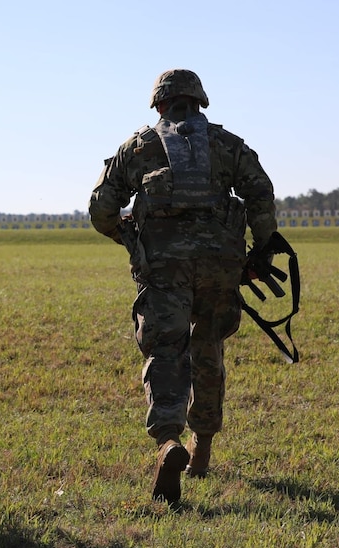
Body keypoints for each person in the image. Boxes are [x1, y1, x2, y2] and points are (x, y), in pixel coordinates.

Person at [88, 69, 278, 504]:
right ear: (199, 101)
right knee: (207, 347)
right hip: (220, 268)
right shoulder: (228, 145)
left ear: (159, 104)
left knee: (166, 350)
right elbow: (261, 196)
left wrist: (129, 237)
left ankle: (169, 441)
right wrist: (260, 249)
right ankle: (202, 451)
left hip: (164, 269)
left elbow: (101, 208)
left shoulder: (139, 147)